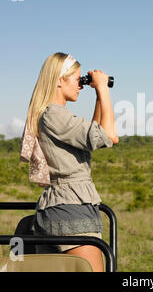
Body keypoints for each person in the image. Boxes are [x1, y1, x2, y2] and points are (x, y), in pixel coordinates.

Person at [21, 52, 119, 272]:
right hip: (71, 210)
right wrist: (103, 89)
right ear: (58, 79)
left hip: (61, 207)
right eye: (77, 79)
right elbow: (110, 136)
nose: (80, 85)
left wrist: (97, 97)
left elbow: (93, 137)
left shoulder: (51, 114)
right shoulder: (54, 114)